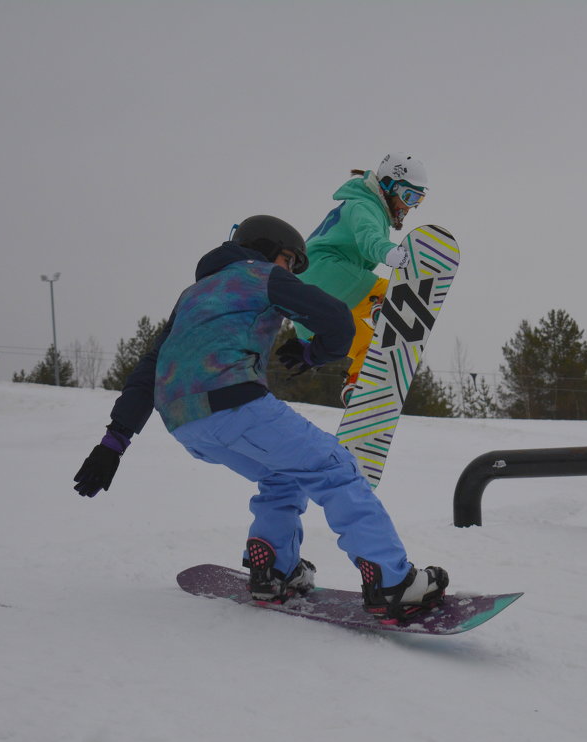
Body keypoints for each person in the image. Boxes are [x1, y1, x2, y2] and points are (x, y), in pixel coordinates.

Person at [71, 214, 448, 621]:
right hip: (234, 403)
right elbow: (337, 319)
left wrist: (114, 441)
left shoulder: (193, 294)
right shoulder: (262, 275)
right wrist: (312, 354)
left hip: (184, 420)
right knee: (335, 466)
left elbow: (149, 367)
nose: (290, 272)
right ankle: (393, 583)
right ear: (272, 251)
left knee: (281, 474)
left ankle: (273, 571)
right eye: (290, 262)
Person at [295, 152, 429, 405]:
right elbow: (370, 239)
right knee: (397, 290)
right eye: (409, 196)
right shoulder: (365, 205)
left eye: (418, 200)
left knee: (369, 346)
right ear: (389, 186)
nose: (410, 207)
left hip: (311, 303)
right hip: (324, 273)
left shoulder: (364, 206)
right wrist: (389, 252)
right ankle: (384, 303)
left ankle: (359, 387)